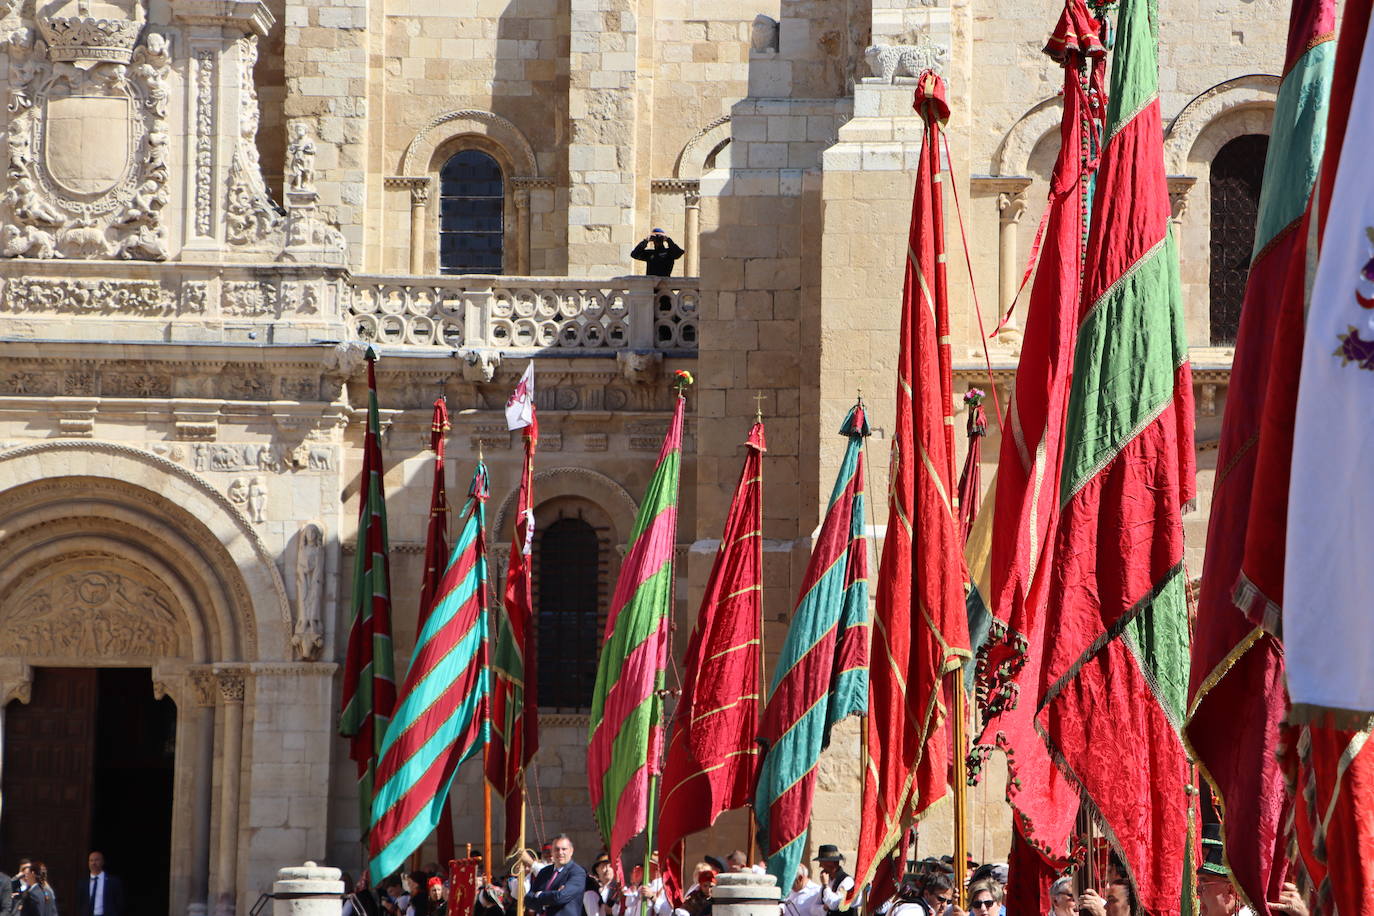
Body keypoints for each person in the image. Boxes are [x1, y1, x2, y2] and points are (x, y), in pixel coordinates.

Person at [526, 835, 587, 916]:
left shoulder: (577, 872)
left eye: (564, 849)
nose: (560, 852)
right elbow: (528, 899)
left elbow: (560, 897)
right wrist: (548, 900)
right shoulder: (544, 871)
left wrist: (539, 895)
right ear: (552, 852)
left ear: (571, 851)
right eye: (556, 849)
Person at [76, 852, 124, 916]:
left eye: (96, 860)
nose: (93, 863)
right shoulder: (82, 883)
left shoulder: (113, 881)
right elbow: (80, 903)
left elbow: (119, 903)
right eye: (91, 860)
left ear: (103, 862)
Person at [812, 846, 854, 916]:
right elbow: (813, 909)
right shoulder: (828, 882)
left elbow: (834, 904)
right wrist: (824, 908)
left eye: (822, 862)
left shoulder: (847, 881)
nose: (820, 866)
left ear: (831, 863)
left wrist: (825, 885)